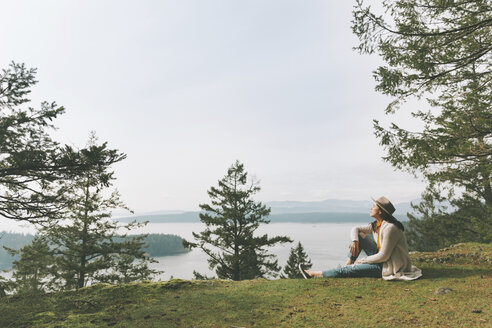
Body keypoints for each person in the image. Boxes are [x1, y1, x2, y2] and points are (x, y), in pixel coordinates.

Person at [299, 196, 422, 280]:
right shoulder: (377, 225)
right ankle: (349, 263)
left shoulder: (391, 228)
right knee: (359, 236)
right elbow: (356, 229)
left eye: (373, 206)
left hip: (388, 265)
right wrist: (355, 241)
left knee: (347, 271)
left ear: (380, 211)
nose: (371, 208)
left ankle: (313, 274)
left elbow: (384, 256)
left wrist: (364, 260)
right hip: (382, 258)